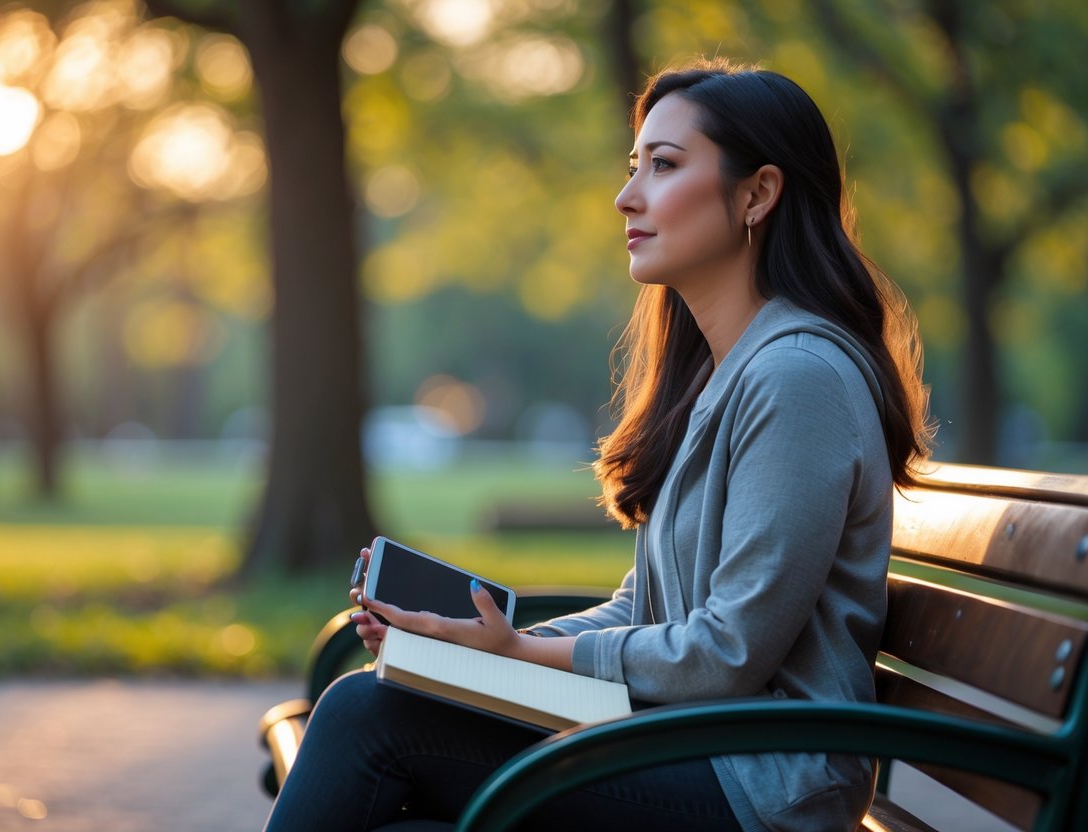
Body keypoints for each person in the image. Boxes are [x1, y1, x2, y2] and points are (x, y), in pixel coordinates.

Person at [262, 58, 931, 832]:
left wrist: (514, 656)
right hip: (694, 744)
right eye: (633, 166)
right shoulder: (730, 371)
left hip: (762, 781)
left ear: (757, 194)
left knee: (365, 714)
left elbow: (726, 653)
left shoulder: (796, 378)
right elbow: (641, 608)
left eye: (664, 165)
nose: (627, 195)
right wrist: (470, 647)